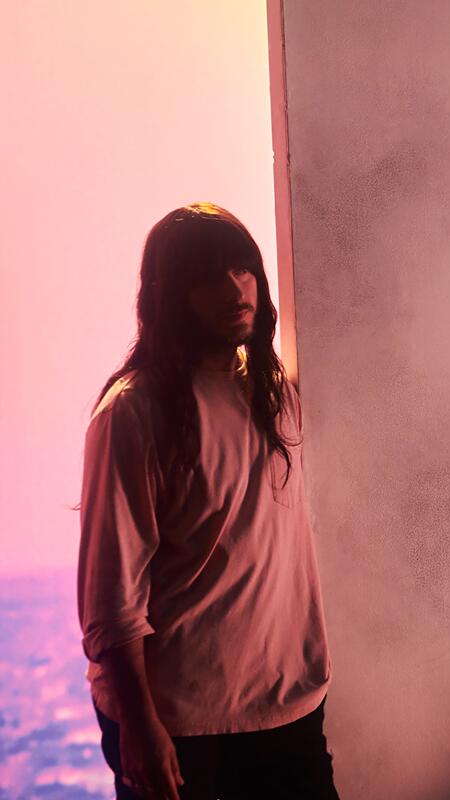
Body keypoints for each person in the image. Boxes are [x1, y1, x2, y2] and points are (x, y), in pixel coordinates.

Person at [78, 203, 338, 800]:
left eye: (243, 269)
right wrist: (142, 729)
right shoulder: (134, 413)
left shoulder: (274, 397)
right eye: (208, 276)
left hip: (286, 708)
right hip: (182, 723)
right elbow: (110, 597)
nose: (234, 288)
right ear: (171, 296)